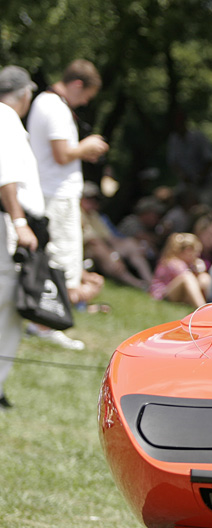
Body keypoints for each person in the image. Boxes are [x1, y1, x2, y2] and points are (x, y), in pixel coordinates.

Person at [26, 59, 108, 346]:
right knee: (58, 259)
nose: (85, 102)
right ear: (76, 85)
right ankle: (46, 325)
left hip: (54, 193)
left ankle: (43, 321)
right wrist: (87, 147)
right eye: (86, 96)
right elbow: (61, 154)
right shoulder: (54, 106)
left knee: (57, 259)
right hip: (56, 196)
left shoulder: (45, 104)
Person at [0, 66, 43, 408]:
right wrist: (19, 221)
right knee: (7, 306)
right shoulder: (6, 117)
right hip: (8, 221)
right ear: (24, 94)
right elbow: (6, 175)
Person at [81, 181, 151, 290]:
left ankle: (150, 281)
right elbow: (92, 240)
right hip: (85, 250)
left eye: (95, 199)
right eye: (89, 198)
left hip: (103, 247)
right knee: (99, 248)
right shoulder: (77, 213)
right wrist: (113, 255)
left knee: (130, 244)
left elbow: (110, 238)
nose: (93, 202)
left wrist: (117, 251)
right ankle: (137, 284)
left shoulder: (94, 215)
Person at [149, 232, 210, 309]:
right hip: (162, 296)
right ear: (188, 251)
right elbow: (188, 280)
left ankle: (210, 304)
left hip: (173, 295)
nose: (197, 256)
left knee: (204, 277)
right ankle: (202, 308)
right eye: (196, 252)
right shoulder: (175, 263)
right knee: (187, 277)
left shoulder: (183, 263)